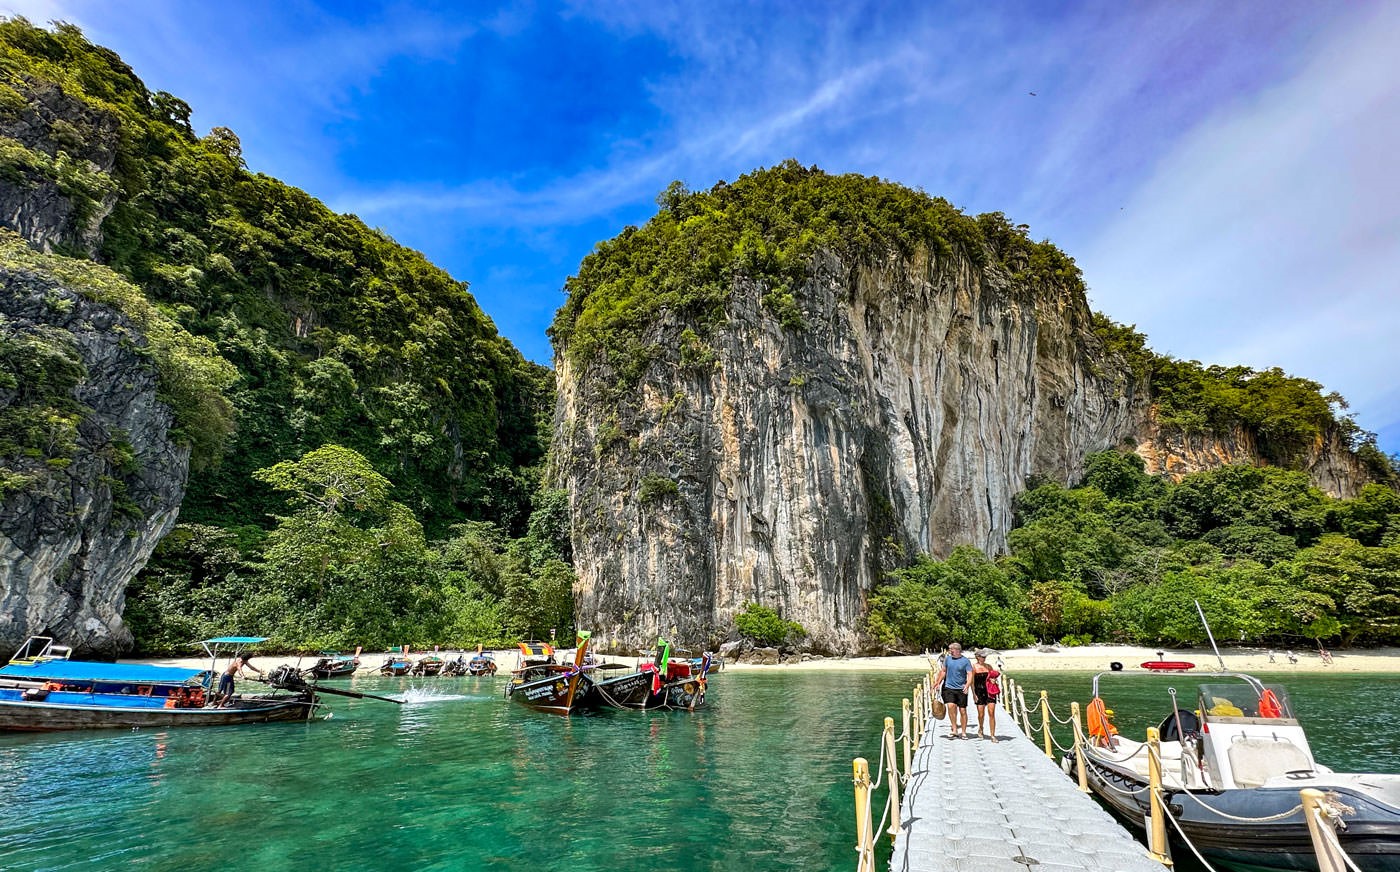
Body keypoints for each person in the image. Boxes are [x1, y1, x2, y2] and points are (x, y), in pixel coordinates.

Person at [933, 642, 973, 739]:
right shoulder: (947, 659)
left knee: (962, 710)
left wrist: (967, 685)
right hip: (949, 687)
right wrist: (938, 682)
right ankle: (954, 729)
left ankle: (963, 732)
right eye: (950, 649)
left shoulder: (966, 661)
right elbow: (943, 671)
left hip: (961, 688)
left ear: (958, 650)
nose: (950, 651)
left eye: (952, 649)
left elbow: (970, 674)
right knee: (951, 706)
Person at [971, 649, 1000, 742]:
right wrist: (974, 694)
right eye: (982, 657)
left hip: (990, 691)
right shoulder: (974, 667)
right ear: (977, 657)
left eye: (985, 657)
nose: (984, 658)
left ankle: (992, 735)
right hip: (979, 691)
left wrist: (994, 680)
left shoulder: (989, 666)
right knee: (981, 714)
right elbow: (972, 682)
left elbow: (993, 677)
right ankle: (981, 727)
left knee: (991, 713)